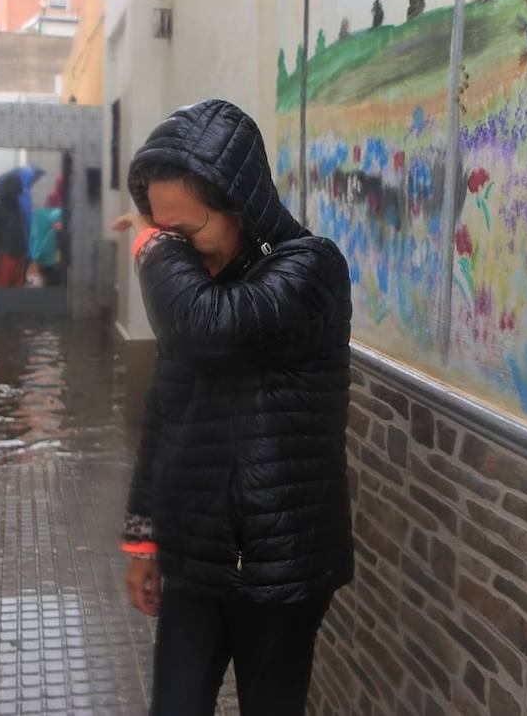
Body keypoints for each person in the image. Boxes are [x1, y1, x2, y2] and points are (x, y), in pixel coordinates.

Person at [113, 99, 354, 716]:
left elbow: (210, 331)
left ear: (242, 206)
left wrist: (151, 247)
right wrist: (144, 541)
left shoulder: (311, 270)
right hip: (194, 558)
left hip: (280, 568)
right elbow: (164, 414)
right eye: (167, 235)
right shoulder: (194, 290)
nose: (182, 253)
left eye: (187, 234)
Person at [0, 174, 27, 287]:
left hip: (17, 252)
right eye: (16, 192)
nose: (17, 195)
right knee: (1, 288)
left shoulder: (16, 205)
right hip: (3, 254)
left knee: (16, 290)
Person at [28, 188, 66, 286]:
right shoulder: (61, 215)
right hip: (60, 258)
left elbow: (35, 236)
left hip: (45, 258)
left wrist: (36, 255)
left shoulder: (40, 215)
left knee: (49, 282)